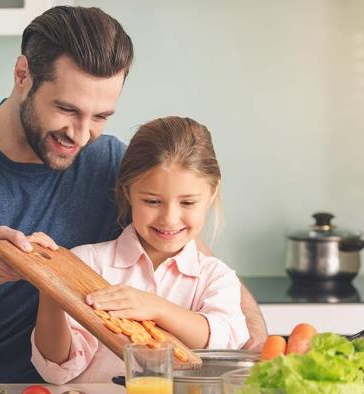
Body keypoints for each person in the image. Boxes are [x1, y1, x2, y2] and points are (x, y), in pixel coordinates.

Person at [0, 5, 266, 383]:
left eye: (101, 117)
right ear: (23, 74)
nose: (81, 133)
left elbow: (189, 252)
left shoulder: (109, 162)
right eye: (67, 110)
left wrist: (255, 335)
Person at [30, 116, 250, 384]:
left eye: (188, 202)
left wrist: (157, 308)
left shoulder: (216, 277)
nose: (169, 218)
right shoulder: (86, 263)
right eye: (152, 201)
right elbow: (58, 368)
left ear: (212, 194)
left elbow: (226, 343)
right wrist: (50, 287)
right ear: (128, 192)